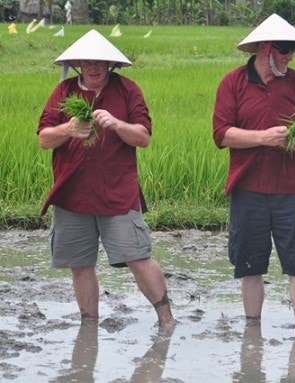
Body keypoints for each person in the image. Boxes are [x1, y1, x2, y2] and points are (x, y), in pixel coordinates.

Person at [37, 29, 176, 329]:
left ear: (110, 64)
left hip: (118, 193)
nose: (94, 66)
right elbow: (45, 138)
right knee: (81, 265)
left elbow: (144, 137)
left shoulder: (128, 90)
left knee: (138, 257)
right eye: (87, 61)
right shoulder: (63, 93)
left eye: (100, 61)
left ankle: (167, 320)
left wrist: (115, 123)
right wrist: (69, 129)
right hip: (72, 194)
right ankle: (89, 327)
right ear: (78, 64)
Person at [212, 13, 295, 330]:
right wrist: (263, 138)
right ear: (265, 48)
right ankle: (252, 329)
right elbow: (221, 134)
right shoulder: (232, 83)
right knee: (250, 265)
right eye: (284, 49)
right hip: (248, 189)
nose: (289, 57)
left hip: (292, 190)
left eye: (292, 51)